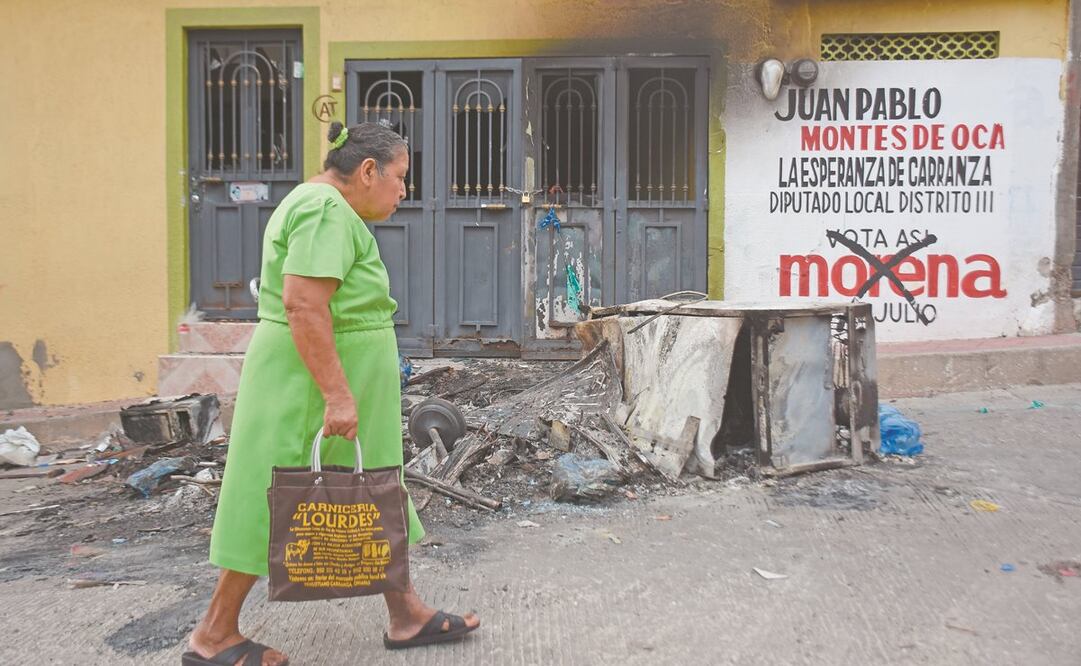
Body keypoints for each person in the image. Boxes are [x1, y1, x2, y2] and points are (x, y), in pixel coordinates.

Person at [183, 122, 480, 666]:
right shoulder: (324, 210)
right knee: (277, 497)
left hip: (331, 379)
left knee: (371, 490)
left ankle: (406, 614)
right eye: (400, 177)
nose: (403, 190)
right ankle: (215, 634)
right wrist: (338, 396)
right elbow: (303, 304)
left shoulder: (327, 208)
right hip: (307, 387)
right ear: (369, 171)